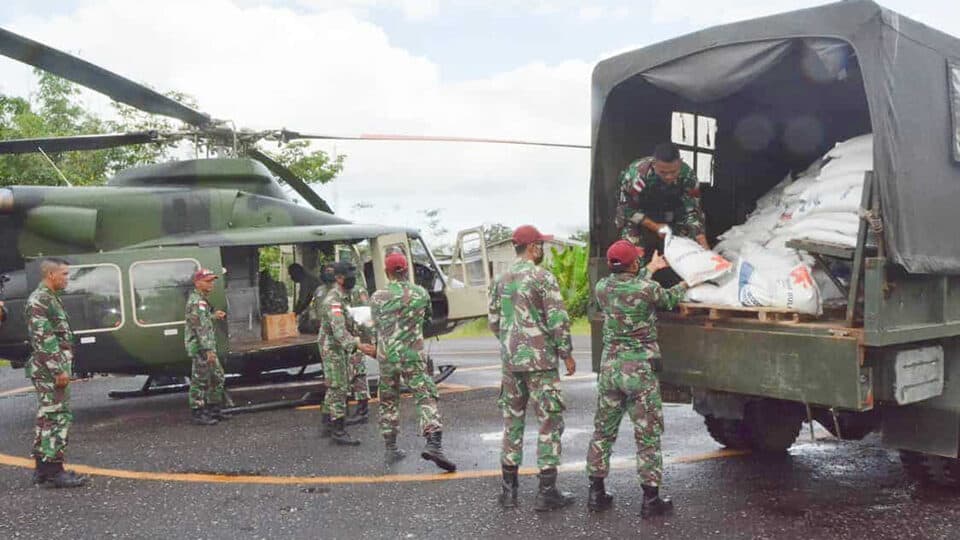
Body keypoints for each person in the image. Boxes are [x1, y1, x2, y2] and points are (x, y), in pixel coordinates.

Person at [585, 240, 687, 519]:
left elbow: (632, 288)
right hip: (639, 372)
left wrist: (651, 269)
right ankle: (650, 500)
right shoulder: (647, 289)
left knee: (603, 432)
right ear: (634, 264)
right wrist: (689, 281)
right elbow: (667, 299)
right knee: (648, 436)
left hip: (610, 370)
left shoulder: (603, 288)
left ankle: (596, 493)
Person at [488, 225, 576, 512]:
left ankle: (508, 492)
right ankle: (546, 492)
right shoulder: (542, 277)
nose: (542, 250)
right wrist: (566, 353)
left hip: (510, 363)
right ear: (533, 247)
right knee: (549, 423)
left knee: (512, 422)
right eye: (541, 245)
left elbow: (493, 320)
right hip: (540, 362)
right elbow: (557, 319)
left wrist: (510, 342)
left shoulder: (501, 279)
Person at [370, 253, 455, 471]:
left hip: (387, 357)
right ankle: (434, 443)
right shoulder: (421, 294)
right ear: (406, 270)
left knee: (388, 400)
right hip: (412, 355)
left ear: (388, 272)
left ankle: (391, 448)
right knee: (425, 396)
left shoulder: (378, 297)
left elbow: (377, 325)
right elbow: (427, 321)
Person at [25, 257, 89, 488]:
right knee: (57, 417)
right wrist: (58, 369)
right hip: (50, 369)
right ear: (50, 275)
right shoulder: (40, 300)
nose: (66, 278)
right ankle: (54, 471)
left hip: (48, 367)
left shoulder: (49, 298)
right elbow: (44, 339)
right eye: (63, 274)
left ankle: (43, 469)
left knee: (47, 417)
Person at [318, 261, 376, 445]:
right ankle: (338, 431)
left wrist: (370, 342)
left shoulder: (347, 295)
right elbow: (339, 332)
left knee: (336, 384)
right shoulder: (333, 301)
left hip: (341, 345)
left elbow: (360, 320)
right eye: (347, 277)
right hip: (332, 346)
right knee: (338, 386)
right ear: (338, 278)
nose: (351, 280)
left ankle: (328, 423)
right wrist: (359, 346)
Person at [615, 142, 708, 251]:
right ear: (654, 164)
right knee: (632, 253)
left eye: (673, 172)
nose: (669, 176)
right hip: (637, 212)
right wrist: (655, 226)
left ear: (680, 163)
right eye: (663, 172)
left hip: (670, 210)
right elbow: (627, 210)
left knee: (690, 247)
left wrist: (701, 240)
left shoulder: (688, 176)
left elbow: (693, 211)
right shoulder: (636, 176)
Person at [184, 268, 228, 426]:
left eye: (213, 281)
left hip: (205, 346)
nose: (212, 284)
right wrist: (208, 350)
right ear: (198, 283)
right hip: (201, 348)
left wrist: (213, 316)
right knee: (200, 380)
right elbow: (200, 328)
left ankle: (214, 409)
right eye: (208, 281)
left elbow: (201, 320)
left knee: (217, 376)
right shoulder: (197, 302)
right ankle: (198, 412)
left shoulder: (200, 301)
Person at [344, 278, 373, 425]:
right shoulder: (340, 291)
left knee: (358, 371)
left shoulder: (357, 290)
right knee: (350, 372)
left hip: (356, 336)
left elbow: (366, 313)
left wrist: (363, 339)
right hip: (347, 337)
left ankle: (363, 410)